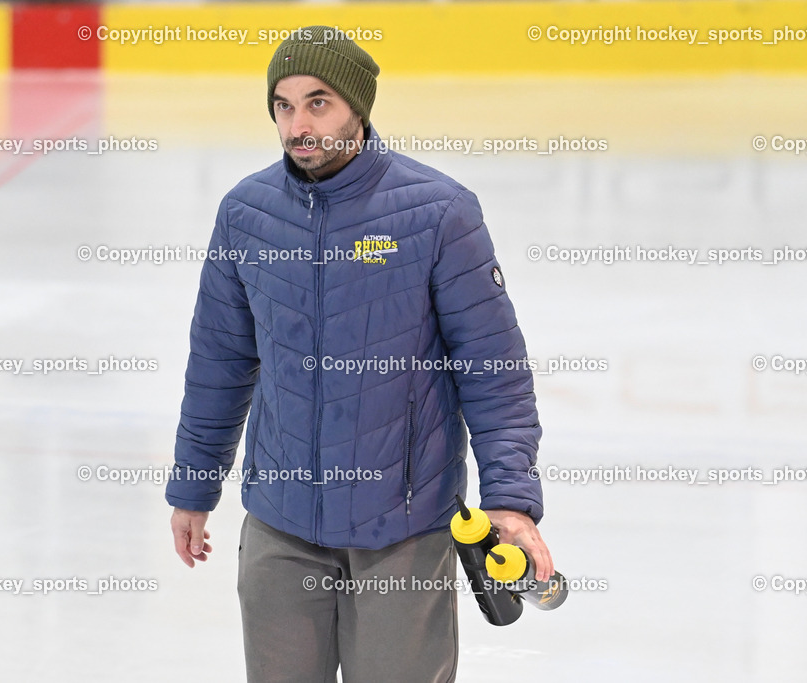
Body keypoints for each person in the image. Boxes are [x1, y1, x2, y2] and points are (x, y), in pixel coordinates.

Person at [166, 26, 553, 683]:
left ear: (358, 106)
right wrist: (194, 486)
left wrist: (510, 499)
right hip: (280, 528)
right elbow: (219, 362)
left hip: (404, 529)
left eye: (318, 103)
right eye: (283, 106)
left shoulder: (438, 213)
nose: (298, 126)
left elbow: (493, 370)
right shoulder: (245, 215)